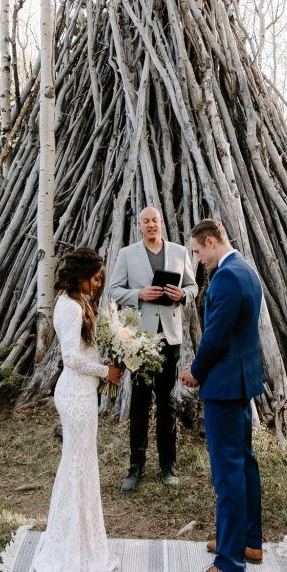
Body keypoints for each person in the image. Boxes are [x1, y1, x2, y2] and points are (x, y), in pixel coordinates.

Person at [179, 218, 264, 572]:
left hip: (224, 385)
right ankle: (249, 542)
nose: (197, 260)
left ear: (211, 242)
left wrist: (195, 371)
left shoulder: (227, 277)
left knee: (227, 474)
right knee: (243, 464)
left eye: (198, 252)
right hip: (241, 381)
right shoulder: (246, 270)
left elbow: (215, 336)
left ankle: (229, 566)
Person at [31, 247, 123, 572]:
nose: (98, 284)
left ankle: (84, 542)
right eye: (95, 278)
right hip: (74, 395)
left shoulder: (80, 302)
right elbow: (70, 358)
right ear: (80, 275)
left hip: (84, 393)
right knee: (76, 467)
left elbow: (86, 350)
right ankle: (71, 548)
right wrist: (104, 372)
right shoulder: (68, 307)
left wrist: (107, 360)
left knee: (82, 467)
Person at [108, 206, 198, 491]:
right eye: (145, 221)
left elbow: (193, 287)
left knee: (167, 401)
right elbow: (114, 290)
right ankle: (136, 466)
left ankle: (168, 465)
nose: (151, 225)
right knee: (139, 401)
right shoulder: (127, 254)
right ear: (139, 225)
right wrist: (139, 294)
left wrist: (182, 294)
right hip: (140, 341)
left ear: (161, 224)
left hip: (170, 338)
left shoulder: (179, 252)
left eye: (154, 220)